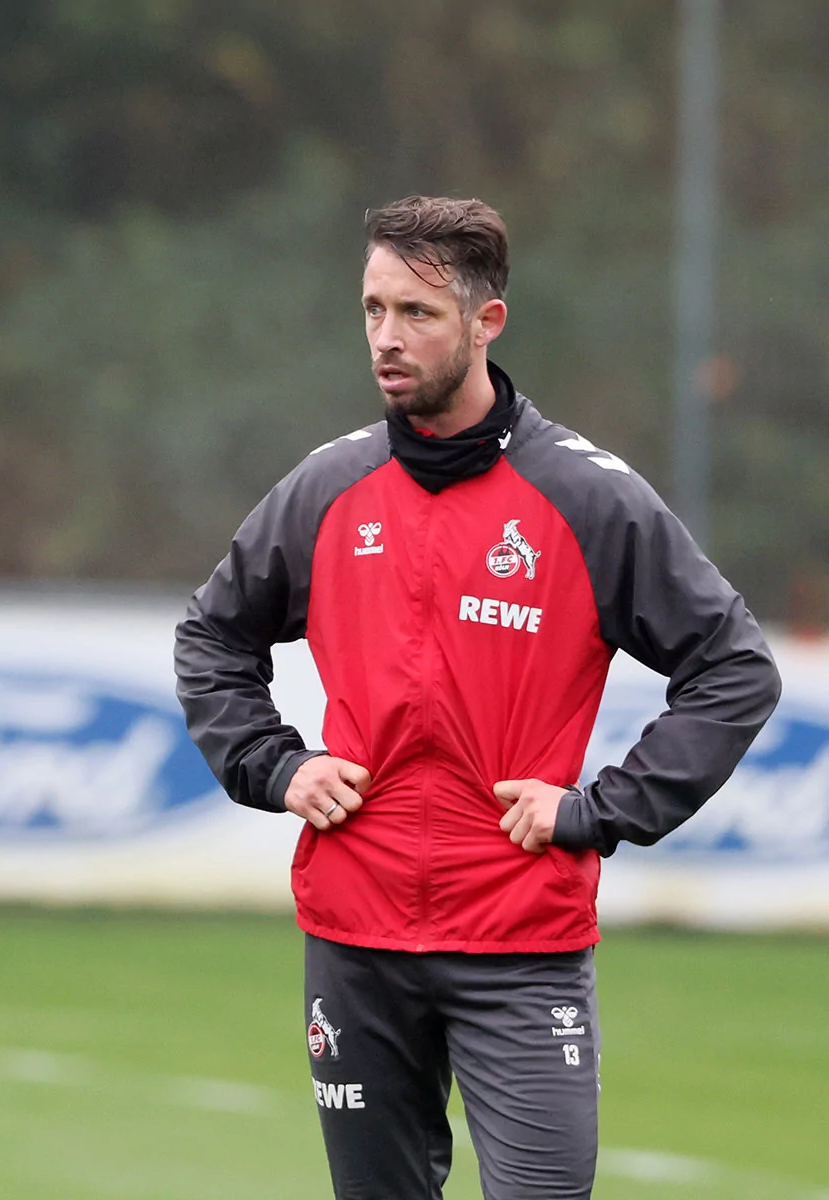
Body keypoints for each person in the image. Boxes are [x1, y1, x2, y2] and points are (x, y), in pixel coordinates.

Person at [174, 196, 779, 1199]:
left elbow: (732, 667)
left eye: (415, 313)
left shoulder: (588, 499)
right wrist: (275, 765)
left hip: (518, 941)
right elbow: (212, 635)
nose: (385, 338)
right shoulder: (327, 488)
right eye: (371, 309)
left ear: (485, 322)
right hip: (354, 938)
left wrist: (601, 810)